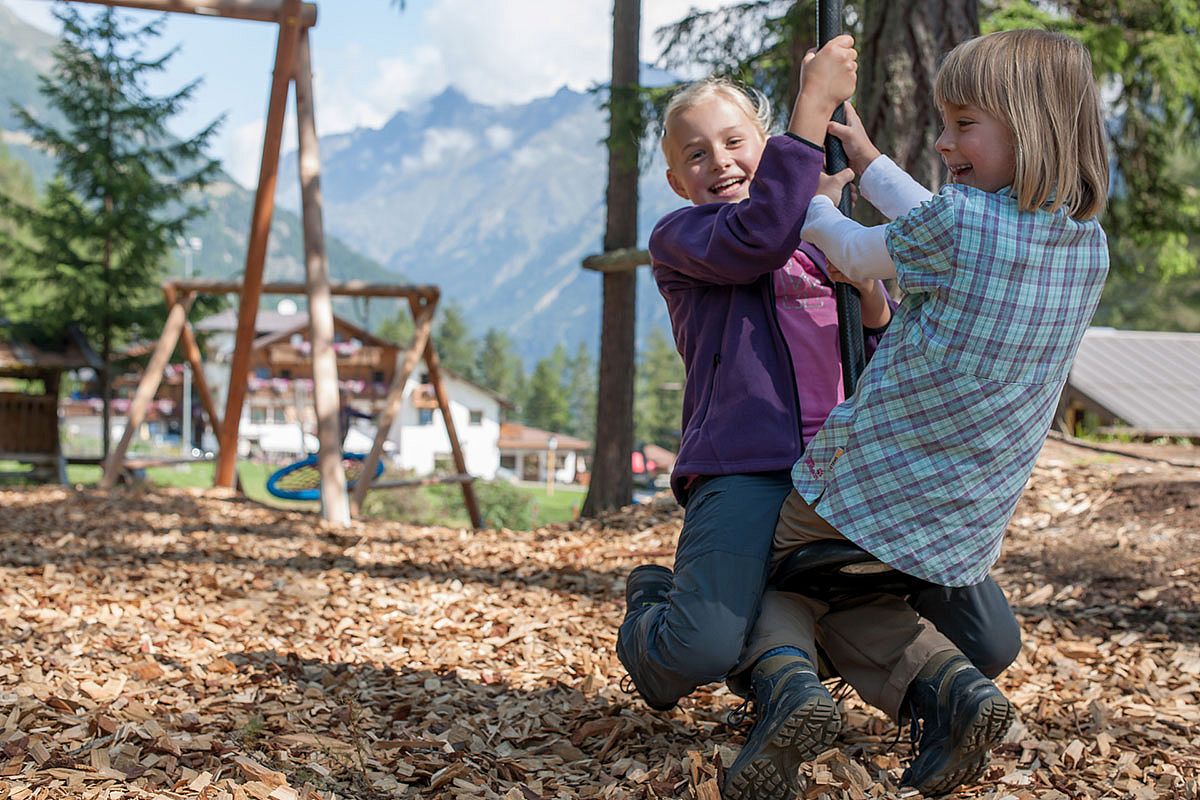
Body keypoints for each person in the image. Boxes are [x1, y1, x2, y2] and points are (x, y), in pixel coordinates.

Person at [616, 34, 1019, 798]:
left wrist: (869, 300)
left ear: (765, 147)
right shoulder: (689, 238)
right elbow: (756, 238)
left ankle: (795, 646)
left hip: (845, 469)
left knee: (986, 639)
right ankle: (654, 611)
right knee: (697, 650)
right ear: (675, 181)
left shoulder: (819, 233)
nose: (721, 162)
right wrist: (813, 104)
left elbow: (891, 349)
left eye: (735, 142)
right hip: (746, 467)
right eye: (696, 155)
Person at [733, 28, 1109, 797]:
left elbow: (852, 253)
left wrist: (812, 200)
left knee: (769, 579)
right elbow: (943, 226)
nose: (943, 140)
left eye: (964, 124)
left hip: (860, 489)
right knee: (859, 597)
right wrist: (871, 163)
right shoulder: (1086, 247)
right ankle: (955, 694)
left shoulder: (960, 228)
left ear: (1031, 126)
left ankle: (789, 692)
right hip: (957, 524)